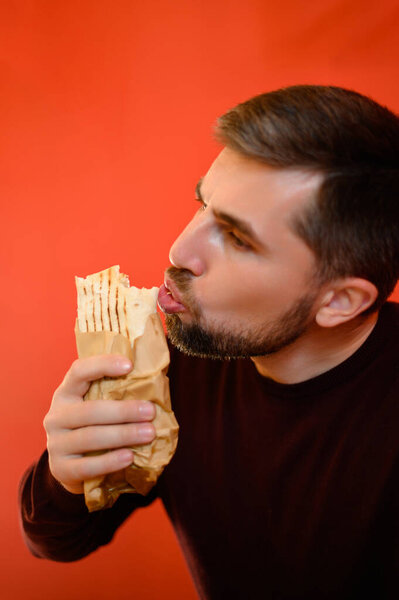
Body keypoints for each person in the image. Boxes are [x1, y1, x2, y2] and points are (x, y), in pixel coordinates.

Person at [19, 85, 399, 599]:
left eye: (237, 238)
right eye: (202, 203)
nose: (180, 249)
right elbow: (59, 542)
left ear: (339, 302)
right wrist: (66, 472)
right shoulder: (171, 364)